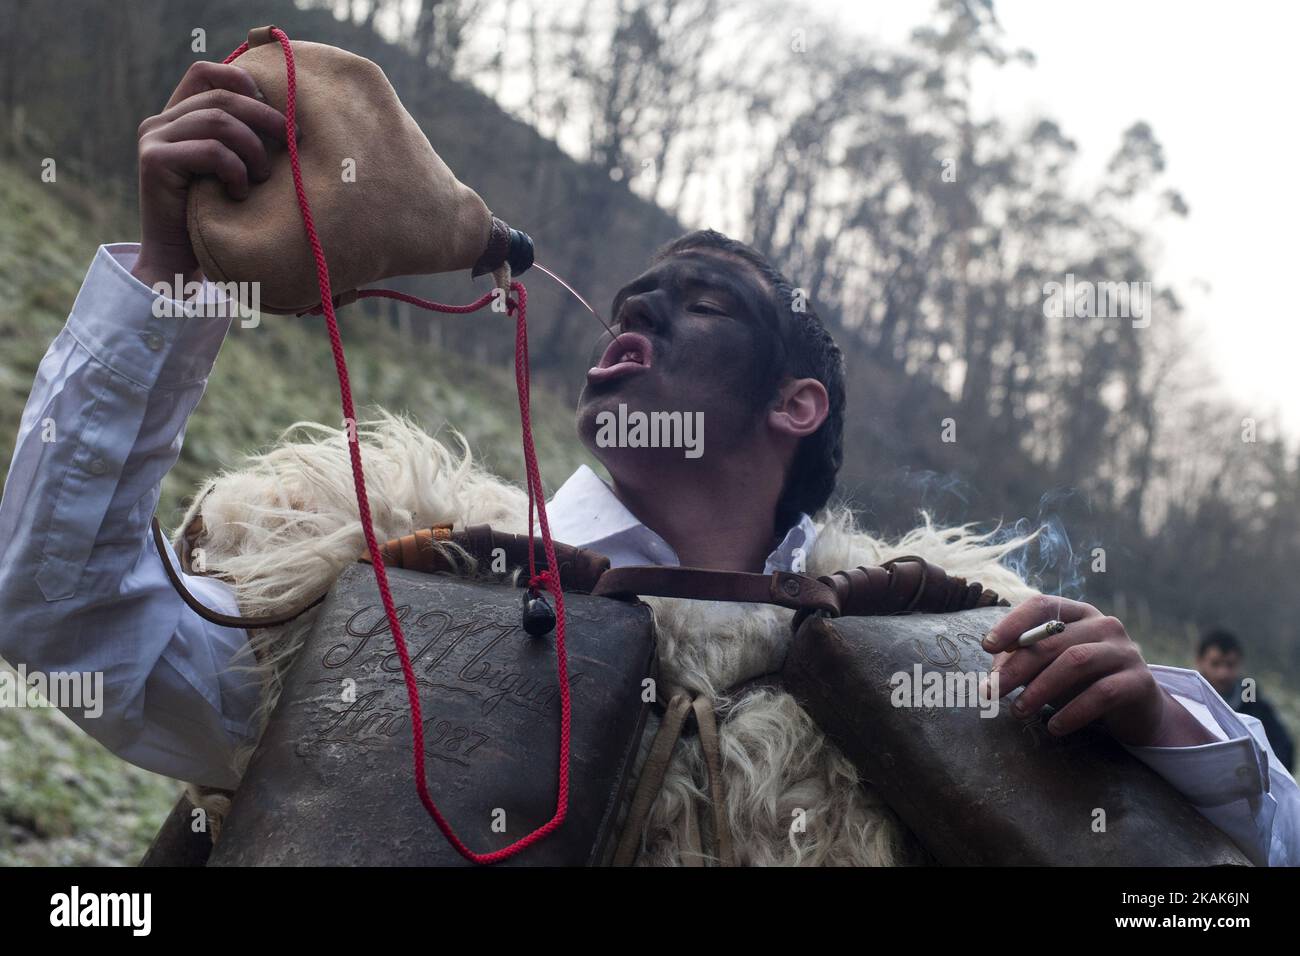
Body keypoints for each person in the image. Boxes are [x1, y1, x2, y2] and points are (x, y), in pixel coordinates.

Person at [1, 59, 1297, 866]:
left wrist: (1160, 734)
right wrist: (173, 276)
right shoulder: (398, 589)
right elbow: (71, 622)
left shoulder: (973, 647)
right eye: (629, 302)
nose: (637, 316)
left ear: (797, 402)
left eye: (701, 302)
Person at [1197, 629, 1295, 771]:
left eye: (1229, 665)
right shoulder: (1187, 697)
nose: (1222, 673)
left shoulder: (1253, 701)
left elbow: (1284, 746)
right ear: (1200, 661)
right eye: (1215, 664)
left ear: (1239, 664)